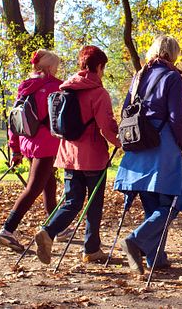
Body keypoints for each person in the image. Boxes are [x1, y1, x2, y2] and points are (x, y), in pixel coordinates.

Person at [114, 35, 182, 275]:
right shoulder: (173, 78)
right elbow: (176, 119)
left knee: (152, 204)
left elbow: (125, 111)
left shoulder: (138, 76)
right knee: (176, 200)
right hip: (164, 146)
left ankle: (156, 258)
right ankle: (136, 240)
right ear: (174, 54)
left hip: (138, 146)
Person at [34, 46, 121, 264]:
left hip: (68, 155)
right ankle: (91, 249)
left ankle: (48, 231)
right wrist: (121, 142)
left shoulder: (66, 89)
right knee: (94, 203)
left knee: (72, 201)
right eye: (103, 68)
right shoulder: (99, 93)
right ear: (99, 66)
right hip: (93, 156)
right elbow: (106, 126)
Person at [0, 49, 64, 252]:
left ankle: (56, 228)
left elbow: (14, 119)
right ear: (50, 67)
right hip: (46, 144)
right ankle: (7, 230)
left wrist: (15, 149)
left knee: (48, 184)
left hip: (29, 143)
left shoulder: (26, 87)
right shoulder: (55, 87)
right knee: (33, 188)